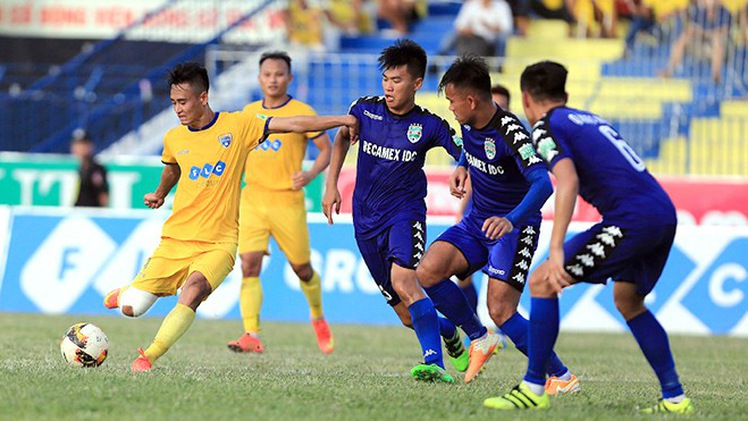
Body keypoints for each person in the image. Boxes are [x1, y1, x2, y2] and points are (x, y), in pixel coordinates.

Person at [102, 62, 357, 372]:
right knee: (132, 307)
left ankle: (149, 356)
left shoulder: (239, 126)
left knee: (193, 290)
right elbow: (172, 166)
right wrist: (160, 193)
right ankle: (127, 292)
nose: (177, 110)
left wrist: (342, 119)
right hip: (176, 241)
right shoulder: (174, 138)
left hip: (220, 242)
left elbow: (294, 124)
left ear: (203, 97)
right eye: (173, 103)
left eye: (183, 102)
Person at [484, 61, 693, 413]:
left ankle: (534, 387)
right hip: (662, 213)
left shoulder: (545, 127)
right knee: (628, 301)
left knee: (541, 280)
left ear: (525, 99)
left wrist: (556, 251)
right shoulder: (590, 119)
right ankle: (674, 397)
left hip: (631, 219)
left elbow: (567, 182)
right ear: (565, 96)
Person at [416, 56, 578, 389]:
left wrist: (511, 219)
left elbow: (544, 183)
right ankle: (479, 336)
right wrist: (461, 164)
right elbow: (470, 148)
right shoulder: (468, 120)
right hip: (478, 221)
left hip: (514, 228)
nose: (450, 108)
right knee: (428, 271)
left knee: (502, 311)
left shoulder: (511, 132)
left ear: (471, 100)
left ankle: (561, 376)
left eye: (451, 101)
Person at [322, 40, 466, 384]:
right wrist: (331, 185)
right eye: (386, 79)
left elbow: (463, 149)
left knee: (405, 281)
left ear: (417, 83)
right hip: (365, 219)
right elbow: (342, 136)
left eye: (397, 80)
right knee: (405, 314)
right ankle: (448, 333)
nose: (388, 86)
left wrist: (463, 168)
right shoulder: (364, 110)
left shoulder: (429, 125)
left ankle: (434, 363)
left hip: (405, 214)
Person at [227, 51, 334, 356]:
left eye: (279, 74)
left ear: (289, 78)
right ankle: (252, 333)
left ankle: (317, 315)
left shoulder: (302, 112)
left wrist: (311, 173)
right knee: (249, 265)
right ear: (259, 78)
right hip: (254, 199)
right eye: (267, 74)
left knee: (302, 269)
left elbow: (325, 149)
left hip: (288, 202)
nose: (273, 79)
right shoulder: (247, 113)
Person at [456, 84, 513, 316]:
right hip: (475, 214)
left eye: (502, 105)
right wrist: (461, 210)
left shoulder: (514, 139)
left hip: (500, 217)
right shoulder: (475, 132)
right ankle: (476, 330)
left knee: (497, 280)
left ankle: (499, 327)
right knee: (463, 276)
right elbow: (472, 172)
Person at [660, 0, 731, 83]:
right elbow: (691, 28)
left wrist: (705, 33)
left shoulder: (725, 12)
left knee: (717, 40)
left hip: (722, 50)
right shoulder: (699, 12)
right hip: (701, 46)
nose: (709, 2)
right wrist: (707, 33)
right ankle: (669, 71)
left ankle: (716, 75)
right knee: (684, 36)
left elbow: (724, 32)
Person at [436, 0, 514, 58]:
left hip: (492, 37)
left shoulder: (502, 5)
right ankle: (438, 59)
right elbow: (459, 25)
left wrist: (491, 26)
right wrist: (468, 30)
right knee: (453, 34)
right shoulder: (471, 5)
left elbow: (507, 27)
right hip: (474, 35)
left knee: (502, 38)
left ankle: (499, 65)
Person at [70, 131, 109, 207]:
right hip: (75, 213)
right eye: (77, 145)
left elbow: (103, 196)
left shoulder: (97, 170)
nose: (79, 148)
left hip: (91, 213)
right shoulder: (75, 169)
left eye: (82, 145)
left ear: (90, 146)